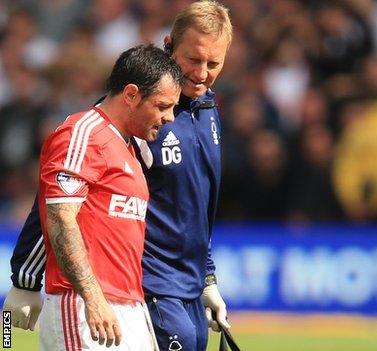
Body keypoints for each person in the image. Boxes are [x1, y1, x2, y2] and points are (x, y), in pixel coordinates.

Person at [3, 1, 233, 350]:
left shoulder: (208, 112)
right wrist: (26, 277)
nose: (202, 73)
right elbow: (60, 196)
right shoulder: (136, 112)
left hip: (183, 287)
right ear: (169, 45)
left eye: (213, 63)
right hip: (146, 284)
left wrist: (206, 278)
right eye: (194, 60)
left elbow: (195, 206)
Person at [37, 43, 184, 350]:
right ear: (131, 94)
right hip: (82, 305)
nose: (170, 117)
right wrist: (92, 298)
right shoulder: (82, 134)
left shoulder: (131, 148)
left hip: (129, 305)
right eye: (162, 106)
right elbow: (61, 218)